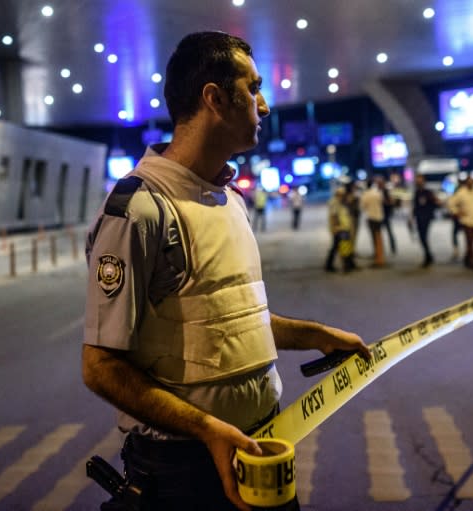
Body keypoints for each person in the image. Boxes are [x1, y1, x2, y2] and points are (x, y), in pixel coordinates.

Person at [82, 31, 370, 511]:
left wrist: (316, 334)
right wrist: (205, 429)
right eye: (253, 87)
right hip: (183, 468)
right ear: (214, 99)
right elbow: (100, 368)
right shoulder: (139, 210)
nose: (265, 103)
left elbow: (227, 320)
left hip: (262, 444)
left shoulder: (231, 199)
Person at [446, 174, 473, 270]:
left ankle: (467, 258)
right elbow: (451, 203)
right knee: (470, 242)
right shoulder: (461, 193)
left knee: (471, 243)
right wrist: (457, 212)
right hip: (466, 221)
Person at [324, 186, 358, 273]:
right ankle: (346, 265)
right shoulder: (335, 203)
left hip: (343, 227)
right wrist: (336, 228)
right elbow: (334, 216)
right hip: (340, 228)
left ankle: (347, 264)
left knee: (340, 246)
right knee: (343, 247)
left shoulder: (340, 202)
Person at [412, 173, 439, 268]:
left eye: (420, 179)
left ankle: (428, 257)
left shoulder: (428, 192)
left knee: (423, 237)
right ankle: (428, 256)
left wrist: (430, 212)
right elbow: (415, 206)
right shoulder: (417, 192)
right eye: (417, 179)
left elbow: (436, 203)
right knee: (422, 238)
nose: (418, 181)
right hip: (419, 218)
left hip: (426, 218)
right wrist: (412, 217)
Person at [360, 176, 386, 267]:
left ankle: (378, 258)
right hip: (379, 217)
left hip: (371, 217)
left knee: (374, 238)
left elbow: (363, 207)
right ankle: (380, 256)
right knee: (379, 237)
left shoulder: (366, 194)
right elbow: (382, 202)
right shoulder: (377, 193)